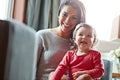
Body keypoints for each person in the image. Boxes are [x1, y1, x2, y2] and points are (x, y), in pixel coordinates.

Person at [35, 0, 86, 80]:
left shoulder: (79, 43)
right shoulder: (42, 36)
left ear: (78, 21)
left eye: (74, 18)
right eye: (65, 14)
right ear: (59, 14)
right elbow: (28, 68)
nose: (67, 21)